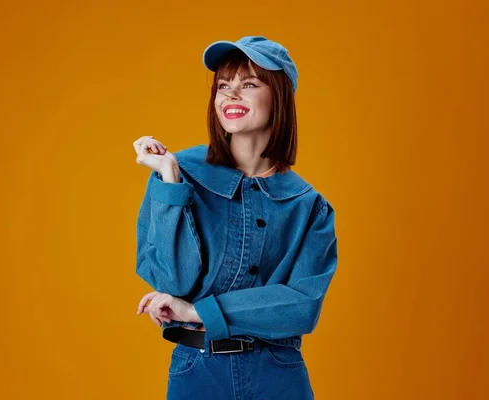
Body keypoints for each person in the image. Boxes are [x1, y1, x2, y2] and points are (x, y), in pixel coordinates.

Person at [133, 36, 338, 400]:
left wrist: (197, 310)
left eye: (249, 84)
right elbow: (173, 279)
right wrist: (169, 180)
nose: (231, 96)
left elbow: (301, 305)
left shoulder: (309, 205)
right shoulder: (178, 176)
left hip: (278, 376)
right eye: (223, 86)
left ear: (279, 96)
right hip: (197, 373)